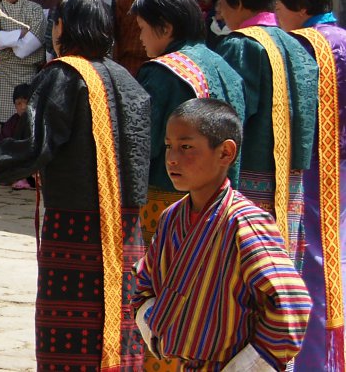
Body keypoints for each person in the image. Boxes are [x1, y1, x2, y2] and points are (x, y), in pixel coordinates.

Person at [0, 0, 151, 371]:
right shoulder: (128, 80)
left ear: (62, 28)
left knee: (70, 326)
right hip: (125, 224)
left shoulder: (64, 75)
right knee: (118, 314)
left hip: (75, 224)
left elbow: (36, 145)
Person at [133, 98, 312, 371]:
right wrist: (156, 331)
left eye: (186, 147)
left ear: (225, 153)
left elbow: (292, 305)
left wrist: (247, 365)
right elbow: (145, 282)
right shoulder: (172, 218)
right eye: (169, 146)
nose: (171, 158)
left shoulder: (245, 223)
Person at [132, 0, 245, 371]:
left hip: (169, 202)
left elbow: (140, 144)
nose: (141, 38)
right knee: (214, 294)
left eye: (144, 28)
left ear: (164, 28)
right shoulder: (224, 66)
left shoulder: (162, 74)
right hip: (225, 200)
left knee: (169, 295)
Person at [215, 0, 318, 271]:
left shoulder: (242, 46)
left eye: (222, 2)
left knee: (238, 271)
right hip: (290, 186)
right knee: (277, 272)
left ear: (239, 1)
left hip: (247, 182)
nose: (220, 11)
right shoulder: (299, 45)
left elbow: (226, 116)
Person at [275, 0, 346, 371]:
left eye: (280, 6)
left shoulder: (308, 46)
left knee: (314, 267)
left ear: (300, 7)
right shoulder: (340, 39)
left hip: (318, 172)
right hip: (337, 167)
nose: (277, 15)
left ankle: (315, 361)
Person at [0, 0, 46, 134]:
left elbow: (25, 49)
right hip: (1, 74)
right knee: (0, 130)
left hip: (27, 73)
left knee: (28, 125)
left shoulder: (35, 9)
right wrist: (20, 34)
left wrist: (4, 39)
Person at [114, 0, 159, 76]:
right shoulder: (124, 2)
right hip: (125, 63)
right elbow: (115, 33)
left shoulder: (160, 5)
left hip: (151, 63)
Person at [0, 83, 35, 190]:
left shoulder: (39, 121)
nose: (23, 107)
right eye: (18, 103)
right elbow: (2, 145)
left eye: (26, 103)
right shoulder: (12, 122)